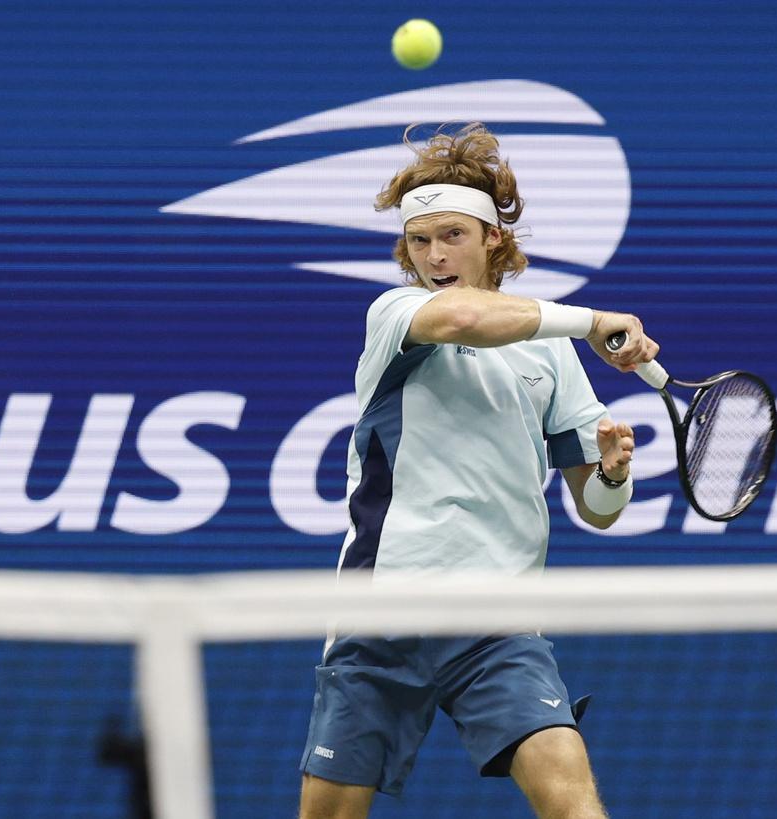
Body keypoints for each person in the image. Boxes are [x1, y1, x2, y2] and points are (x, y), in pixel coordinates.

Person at [298, 123, 658, 819]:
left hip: (498, 622)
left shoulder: (550, 352)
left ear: (493, 238)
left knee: (573, 804)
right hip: (385, 609)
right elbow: (463, 317)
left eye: (452, 236)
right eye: (419, 241)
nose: (434, 256)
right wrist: (592, 320)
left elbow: (598, 509)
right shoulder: (398, 312)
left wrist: (612, 474)